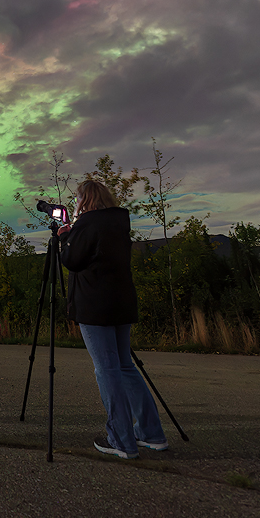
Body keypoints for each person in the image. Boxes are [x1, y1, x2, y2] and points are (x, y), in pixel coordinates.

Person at [58, 179, 168, 459]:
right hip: (121, 303)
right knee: (124, 366)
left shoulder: (88, 223)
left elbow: (72, 259)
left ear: (84, 200)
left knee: (106, 370)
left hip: (95, 305)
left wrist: (63, 236)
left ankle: (121, 440)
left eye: (77, 198)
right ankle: (151, 433)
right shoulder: (119, 222)